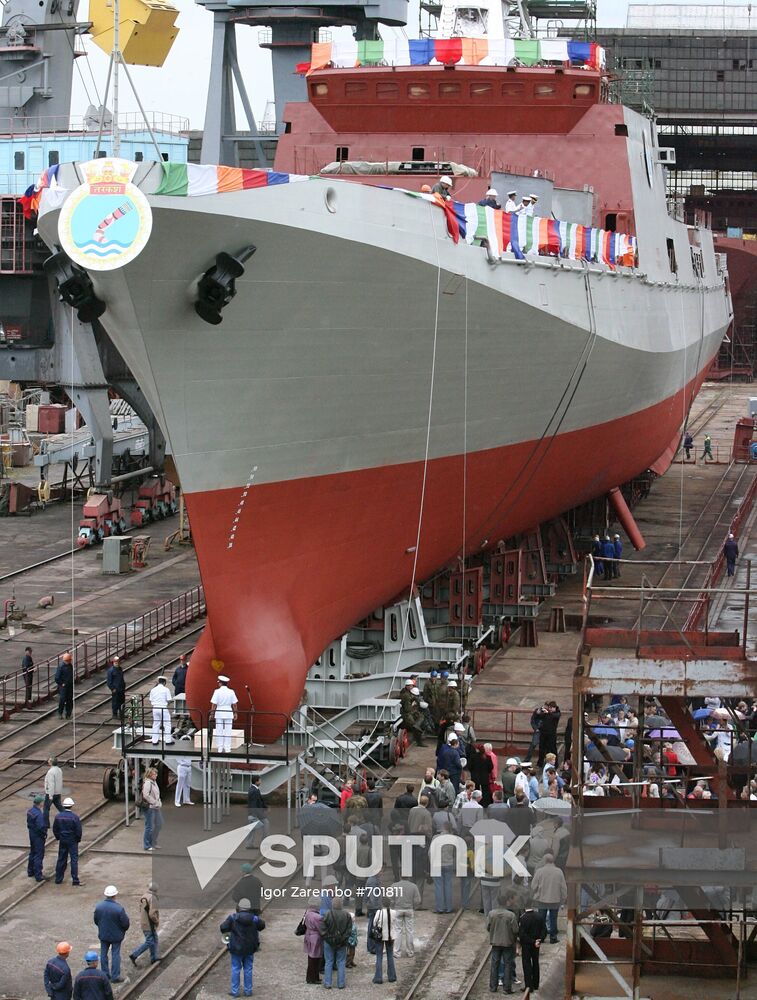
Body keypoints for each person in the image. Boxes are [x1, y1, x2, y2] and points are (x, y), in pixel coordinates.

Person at [220, 898, 265, 997]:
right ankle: (248, 991)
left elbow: (223, 927)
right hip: (250, 948)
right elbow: (262, 926)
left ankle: (235, 992)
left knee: (235, 969)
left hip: (236, 948)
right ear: (249, 908)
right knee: (248, 969)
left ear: (238, 908)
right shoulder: (254, 918)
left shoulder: (233, 918)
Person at [94, 885, 130, 983]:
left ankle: (105, 975)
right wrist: (121, 930)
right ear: (115, 895)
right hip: (116, 936)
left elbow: (96, 920)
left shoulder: (99, 907)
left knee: (103, 954)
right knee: (115, 954)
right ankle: (115, 976)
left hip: (103, 934)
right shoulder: (119, 908)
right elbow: (125, 923)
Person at [529, 852, 567, 943]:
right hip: (555, 899)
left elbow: (533, 886)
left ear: (544, 861)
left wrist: (532, 896)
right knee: (553, 919)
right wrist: (563, 898)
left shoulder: (539, 871)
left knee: (541, 919)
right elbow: (563, 887)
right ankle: (553, 937)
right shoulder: (559, 871)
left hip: (542, 899)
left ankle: (541, 937)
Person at [487, 896, 519, 994]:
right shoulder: (511, 915)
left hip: (495, 942)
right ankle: (507, 988)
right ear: (506, 902)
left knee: (494, 964)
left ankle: (493, 987)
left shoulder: (491, 914)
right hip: (508, 943)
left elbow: (488, 927)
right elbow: (516, 930)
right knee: (507, 964)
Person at [320, 895, 352, 989]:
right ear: (341, 904)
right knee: (341, 962)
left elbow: (322, 929)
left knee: (329, 962)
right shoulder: (347, 915)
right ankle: (341, 984)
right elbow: (349, 930)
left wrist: (327, 938)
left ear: (332, 904)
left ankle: (328, 983)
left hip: (329, 942)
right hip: (342, 943)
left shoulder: (327, 914)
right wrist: (344, 939)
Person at [129, 881, 160, 966]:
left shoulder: (144, 896)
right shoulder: (153, 898)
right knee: (150, 941)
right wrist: (156, 921)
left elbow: (141, 909)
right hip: (149, 924)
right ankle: (134, 955)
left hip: (144, 922)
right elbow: (152, 914)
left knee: (155, 938)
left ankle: (154, 957)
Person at [53, 797, 82, 885]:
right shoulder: (75, 817)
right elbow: (78, 831)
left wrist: (59, 837)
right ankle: (75, 880)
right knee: (74, 860)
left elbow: (55, 829)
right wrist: (77, 839)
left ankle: (58, 879)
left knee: (61, 859)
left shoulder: (58, 816)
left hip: (63, 840)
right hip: (72, 841)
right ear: (71, 806)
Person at [518, 906, 547, 994]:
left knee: (526, 964)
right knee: (535, 962)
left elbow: (522, 934)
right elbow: (544, 930)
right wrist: (539, 940)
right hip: (536, 944)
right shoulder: (539, 916)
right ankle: (536, 984)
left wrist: (532, 941)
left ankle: (529, 986)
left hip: (527, 945)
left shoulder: (523, 918)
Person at [390, 877, 421, 956]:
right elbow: (418, 900)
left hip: (397, 910)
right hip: (409, 909)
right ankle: (410, 951)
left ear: (400, 875)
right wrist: (413, 907)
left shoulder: (394, 886)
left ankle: (397, 952)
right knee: (409, 931)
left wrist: (393, 906)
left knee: (398, 931)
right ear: (409, 876)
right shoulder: (413, 886)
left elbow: (390, 899)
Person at [211, 674, 239, 752]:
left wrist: (212, 713)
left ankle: (220, 748)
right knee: (228, 731)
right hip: (228, 712)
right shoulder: (231, 691)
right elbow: (234, 704)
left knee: (219, 730)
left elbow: (214, 704)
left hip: (219, 712)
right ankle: (227, 748)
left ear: (220, 683)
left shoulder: (217, 691)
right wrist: (235, 713)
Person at [371, 904, 397, 984]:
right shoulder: (394, 912)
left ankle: (378, 977)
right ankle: (392, 976)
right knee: (390, 956)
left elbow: (374, 922)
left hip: (380, 937)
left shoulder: (379, 912)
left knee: (379, 956)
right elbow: (395, 923)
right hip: (390, 936)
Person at [141, 767, 163, 851]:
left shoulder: (154, 782)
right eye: (155, 774)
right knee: (149, 826)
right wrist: (155, 802)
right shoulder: (148, 783)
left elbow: (157, 794)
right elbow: (146, 795)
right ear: (150, 774)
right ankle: (147, 844)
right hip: (150, 807)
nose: (156, 775)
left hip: (156, 807)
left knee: (159, 824)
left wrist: (159, 802)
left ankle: (153, 842)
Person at [27, 793, 48, 882]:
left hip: (32, 834)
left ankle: (30, 871)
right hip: (38, 837)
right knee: (39, 854)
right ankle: (38, 875)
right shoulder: (39, 814)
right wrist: (44, 834)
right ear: (40, 803)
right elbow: (41, 827)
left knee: (32, 852)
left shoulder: (30, 811)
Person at [245, 774, 270, 848]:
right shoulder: (254, 791)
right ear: (256, 781)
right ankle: (264, 844)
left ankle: (249, 844)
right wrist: (254, 815)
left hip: (256, 813)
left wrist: (265, 807)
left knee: (255, 827)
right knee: (265, 824)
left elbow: (260, 801)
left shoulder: (254, 789)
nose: (261, 781)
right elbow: (254, 803)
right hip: (256, 813)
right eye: (260, 780)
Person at [148, 676, 173, 744]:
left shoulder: (153, 690)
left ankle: (154, 740)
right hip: (163, 707)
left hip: (155, 708)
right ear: (164, 682)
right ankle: (168, 740)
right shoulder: (166, 689)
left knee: (156, 724)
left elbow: (151, 700)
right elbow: (169, 700)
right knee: (167, 724)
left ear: (158, 682)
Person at [303, 902, 323, 983]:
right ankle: (314, 978)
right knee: (316, 959)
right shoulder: (318, 917)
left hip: (308, 936)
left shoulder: (308, 913)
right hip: (316, 938)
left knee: (310, 958)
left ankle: (310, 977)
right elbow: (321, 929)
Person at [44, 757, 64, 826]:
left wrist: (50, 795)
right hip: (58, 792)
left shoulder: (51, 772)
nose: (48, 761)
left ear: (51, 762)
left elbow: (51, 784)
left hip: (51, 793)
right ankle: (68, 817)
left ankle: (46, 824)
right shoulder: (59, 770)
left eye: (49, 761)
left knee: (46, 808)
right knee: (60, 807)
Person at [55, 651, 74, 720]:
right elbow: (57, 678)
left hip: (69, 685)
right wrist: (61, 684)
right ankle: (60, 713)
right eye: (69, 660)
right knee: (62, 700)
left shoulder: (70, 666)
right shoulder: (61, 667)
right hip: (63, 687)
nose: (70, 661)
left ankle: (68, 714)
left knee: (69, 700)